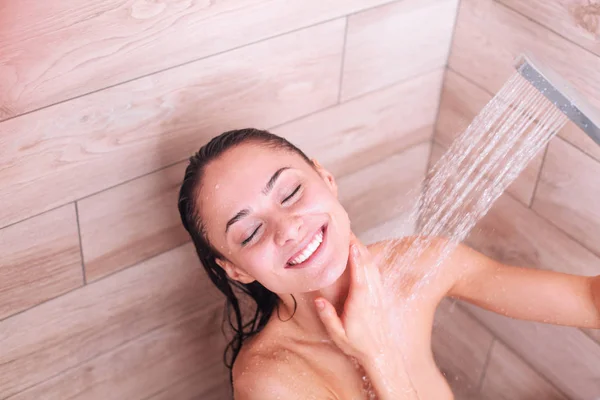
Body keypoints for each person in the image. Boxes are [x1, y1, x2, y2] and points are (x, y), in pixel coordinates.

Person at [177, 128, 600, 399]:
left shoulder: (415, 265)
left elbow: (588, 301)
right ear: (237, 269)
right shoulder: (271, 379)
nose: (287, 228)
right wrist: (377, 354)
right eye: (249, 233)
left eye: (290, 193)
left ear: (325, 179)